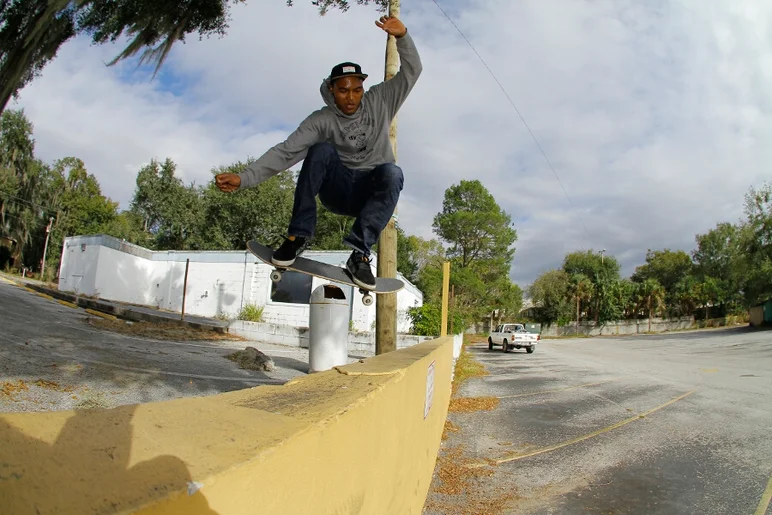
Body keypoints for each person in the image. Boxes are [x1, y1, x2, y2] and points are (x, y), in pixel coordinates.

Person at [215, 15, 422, 290]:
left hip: (368, 194)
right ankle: (297, 237)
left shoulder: (381, 99)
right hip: (337, 191)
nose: (351, 98)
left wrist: (403, 36)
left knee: (392, 172)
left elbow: (412, 71)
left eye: (357, 90)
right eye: (344, 91)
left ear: (363, 89)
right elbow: (286, 152)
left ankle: (359, 254)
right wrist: (244, 178)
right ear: (331, 91)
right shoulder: (321, 120)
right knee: (320, 149)